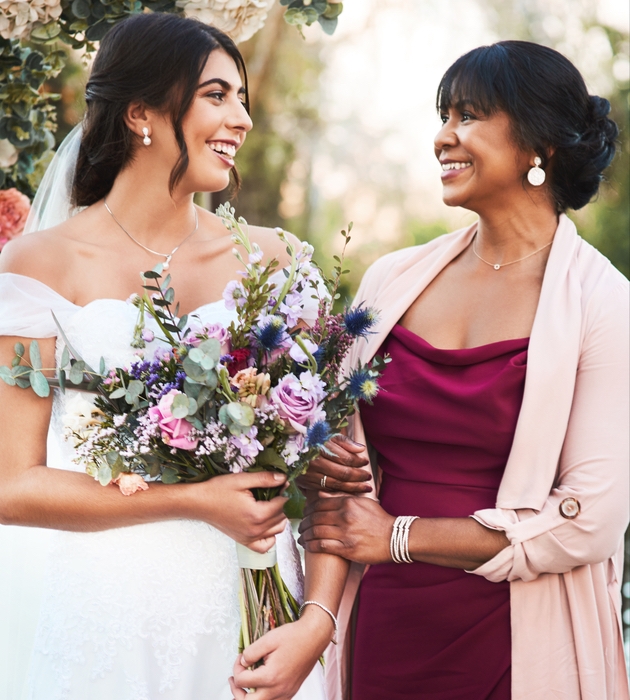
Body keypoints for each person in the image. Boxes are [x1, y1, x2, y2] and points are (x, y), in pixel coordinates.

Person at [0, 13, 344, 700]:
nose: (242, 118)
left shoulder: (276, 264)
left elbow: (341, 472)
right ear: (140, 113)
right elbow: (12, 484)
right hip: (108, 616)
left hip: (260, 623)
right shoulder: (41, 266)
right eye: (217, 95)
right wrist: (196, 500)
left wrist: (317, 622)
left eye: (242, 97)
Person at [297, 41, 629, 700]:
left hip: (515, 633)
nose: (443, 137)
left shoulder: (605, 303)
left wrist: (396, 536)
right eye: (444, 116)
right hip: (383, 621)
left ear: (540, 146)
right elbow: (334, 460)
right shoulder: (389, 280)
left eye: (469, 115)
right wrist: (312, 458)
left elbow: (589, 521)